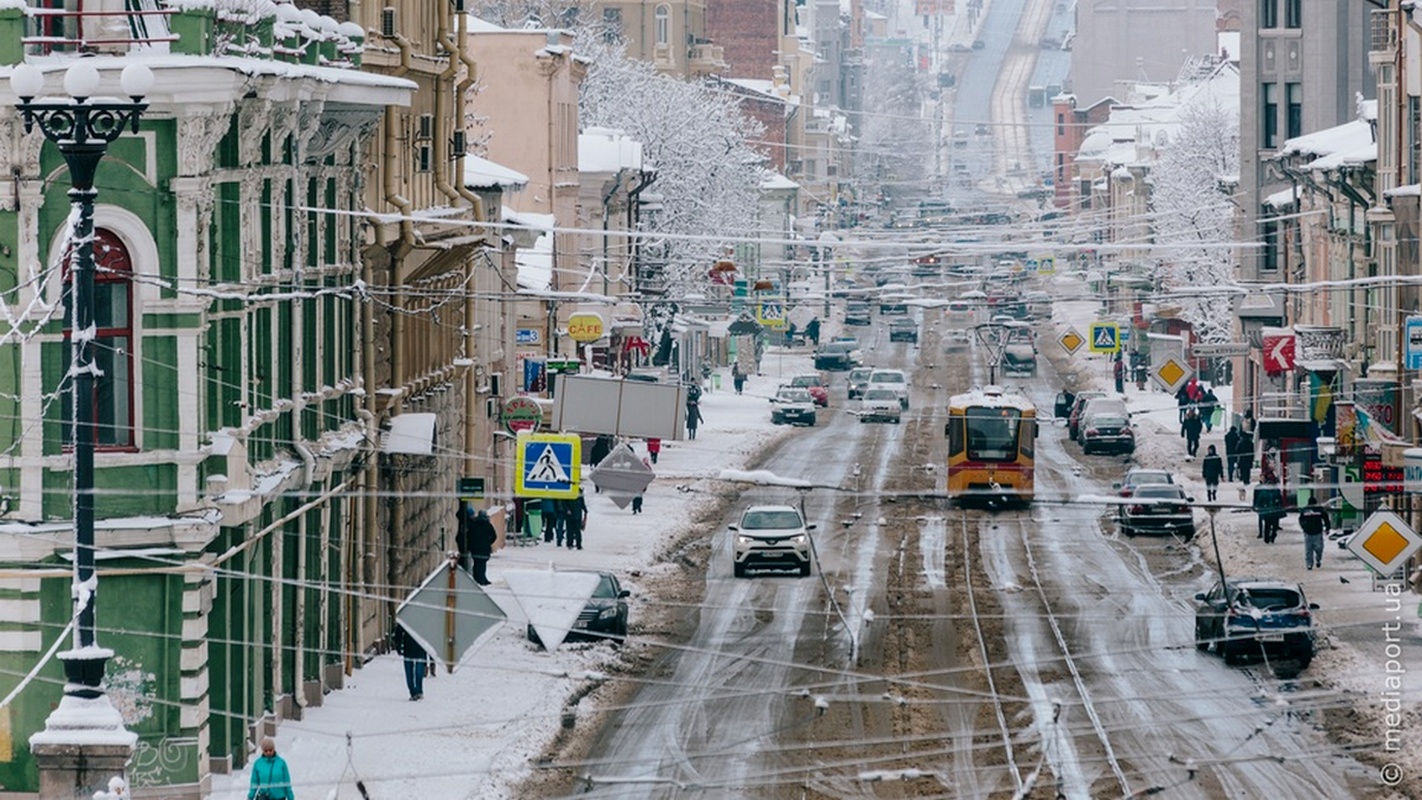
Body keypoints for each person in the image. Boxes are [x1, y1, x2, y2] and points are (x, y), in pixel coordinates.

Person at [391, 623, 427, 701]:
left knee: (414, 672)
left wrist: (398, 646)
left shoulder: (407, 618)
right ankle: (415, 691)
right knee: (414, 672)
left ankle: (416, 691)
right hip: (414, 648)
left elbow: (398, 633)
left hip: (415, 648)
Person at [468, 509, 497, 586]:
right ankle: (482, 578)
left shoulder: (473, 524)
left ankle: (477, 578)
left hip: (475, 548)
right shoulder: (488, 525)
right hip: (484, 548)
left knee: (476, 563)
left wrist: (471, 544)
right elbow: (494, 536)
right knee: (482, 564)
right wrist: (488, 542)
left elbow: (469, 536)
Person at [1299, 498, 1330, 570]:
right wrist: (1304, 527)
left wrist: (1327, 528)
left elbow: (1326, 518)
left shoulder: (1319, 510)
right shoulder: (1305, 510)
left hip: (1317, 532)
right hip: (1308, 533)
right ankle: (1309, 564)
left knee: (1319, 548)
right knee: (1308, 550)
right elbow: (1301, 519)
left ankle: (1318, 559)